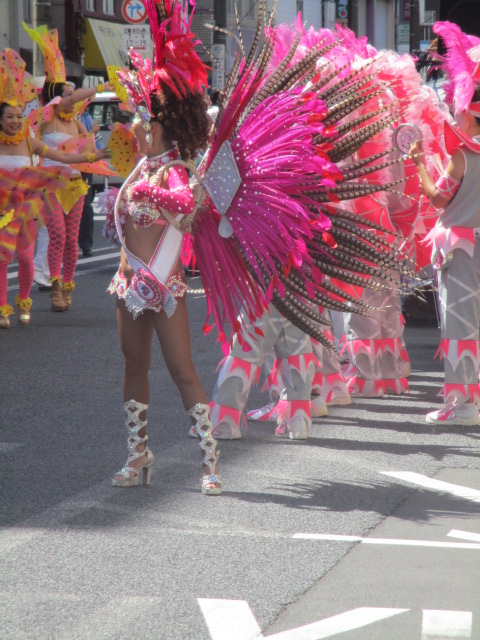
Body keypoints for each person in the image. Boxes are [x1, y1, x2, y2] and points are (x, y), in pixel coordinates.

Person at [108, 0, 221, 494]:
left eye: (138, 120)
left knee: (182, 371)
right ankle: (138, 456)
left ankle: (209, 462)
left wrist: (151, 191)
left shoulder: (175, 168)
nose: (132, 127)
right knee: (134, 366)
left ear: (157, 125)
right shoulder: (138, 168)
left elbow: (185, 205)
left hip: (165, 285)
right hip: (128, 283)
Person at [0, 98, 110, 328]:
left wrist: (95, 157)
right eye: (10, 117)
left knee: (24, 258)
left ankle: (23, 303)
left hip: (26, 210)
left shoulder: (31, 144)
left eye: (19, 117)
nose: (16, 121)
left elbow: (66, 157)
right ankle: (3, 310)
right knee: (2, 260)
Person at [409, 80, 480, 426]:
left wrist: (421, 164)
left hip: (463, 254)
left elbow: (438, 199)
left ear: (469, 113)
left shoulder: (464, 156)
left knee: (460, 327)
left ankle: (462, 405)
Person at [78, 109, 104, 257]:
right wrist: (92, 132)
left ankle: (86, 245)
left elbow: (98, 147)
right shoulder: (59, 115)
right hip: (65, 167)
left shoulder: (86, 116)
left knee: (86, 206)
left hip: (85, 167)